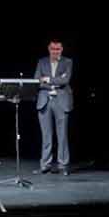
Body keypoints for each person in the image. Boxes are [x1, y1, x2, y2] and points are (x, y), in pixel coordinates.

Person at [35, 39, 73, 174]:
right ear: (49, 49)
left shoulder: (67, 62)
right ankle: (45, 165)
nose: (55, 52)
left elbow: (65, 80)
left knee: (62, 135)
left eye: (58, 49)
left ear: (61, 49)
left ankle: (63, 165)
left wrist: (48, 79)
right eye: (53, 49)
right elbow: (37, 80)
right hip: (45, 101)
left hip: (61, 101)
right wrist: (54, 82)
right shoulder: (42, 62)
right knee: (46, 135)